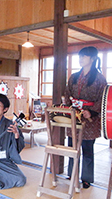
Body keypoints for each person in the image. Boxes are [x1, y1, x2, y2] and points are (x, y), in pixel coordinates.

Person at [64, 46, 107, 189]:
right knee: (72, 147)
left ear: (93, 59)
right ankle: (71, 173)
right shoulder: (74, 77)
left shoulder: (100, 79)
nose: (81, 59)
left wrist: (92, 112)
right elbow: (67, 93)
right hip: (74, 116)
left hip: (90, 119)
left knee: (87, 149)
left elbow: (103, 99)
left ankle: (87, 178)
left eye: (84, 56)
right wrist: (69, 105)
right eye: (80, 56)